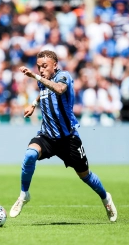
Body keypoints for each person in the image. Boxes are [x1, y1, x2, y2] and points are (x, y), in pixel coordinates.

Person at [9, 50, 117, 222]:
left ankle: (106, 198)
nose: (41, 70)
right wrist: (34, 104)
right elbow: (44, 91)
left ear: (55, 65)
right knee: (30, 155)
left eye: (44, 66)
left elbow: (59, 89)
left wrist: (35, 76)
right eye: (38, 67)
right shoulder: (43, 81)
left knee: (85, 176)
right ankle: (24, 195)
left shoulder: (64, 76)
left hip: (69, 139)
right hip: (47, 137)